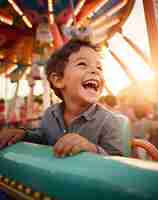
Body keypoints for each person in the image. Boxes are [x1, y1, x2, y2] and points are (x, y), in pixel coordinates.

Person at [0, 39, 124, 157]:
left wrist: (91, 148)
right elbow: (43, 137)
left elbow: (118, 163)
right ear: (58, 80)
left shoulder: (109, 121)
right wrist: (23, 134)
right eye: (82, 64)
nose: (95, 71)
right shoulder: (50, 114)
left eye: (99, 68)